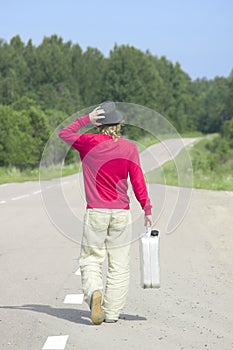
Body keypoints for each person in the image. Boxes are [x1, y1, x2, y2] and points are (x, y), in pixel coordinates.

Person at [58, 101, 152, 325]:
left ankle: (94, 294)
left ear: (99, 124)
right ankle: (111, 313)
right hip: (121, 213)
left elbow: (63, 133)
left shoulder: (88, 142)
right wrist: (146, 208)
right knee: (119, 264)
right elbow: (138, 180)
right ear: (118, 124)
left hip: (96, 212)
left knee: (91, 258)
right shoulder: (130, 148)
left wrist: (85, 120)